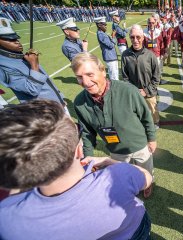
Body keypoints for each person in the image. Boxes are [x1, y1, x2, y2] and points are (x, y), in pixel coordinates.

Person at [0, 99, 153, 239]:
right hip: (136, 231)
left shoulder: (8, 219)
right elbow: (146, 177)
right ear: (79, 150)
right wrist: (109, 160)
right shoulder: (119, 175)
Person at [72, 52, 156, 198]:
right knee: (122, 176)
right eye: (79, 77)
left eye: (90, 74)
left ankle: (148, 185)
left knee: (146, 171)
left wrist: (152, 139)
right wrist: (88, 158)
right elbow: (87, 133)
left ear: (103, 71)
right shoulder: (79, 103)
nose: (85, 82)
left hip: (140, 145)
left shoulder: (128, 90)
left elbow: (146, 116)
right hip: (115, 150)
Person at [0, 17, 66, 106]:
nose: (17, 42)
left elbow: (45, 83)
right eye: (10, 39)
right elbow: (32, 89)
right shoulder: (3, 66)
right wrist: (34, 65)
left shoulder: (19, 56)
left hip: (57, 103)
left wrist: (59, 97)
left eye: (16, 38)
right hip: (46, 113)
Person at [121, 24, 161, 129]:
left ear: (143, 38)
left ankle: (155, 122)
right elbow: (125, 77)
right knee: (136, 114)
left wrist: (146, 90)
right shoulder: (125, 55)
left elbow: (156, 77)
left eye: (138, 37)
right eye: (132, 37)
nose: (135, 40)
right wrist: (134, 91)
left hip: (149, 93)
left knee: (153, 112)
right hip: (134, 94)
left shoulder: (150, 55)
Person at [94, 16, 119, 81]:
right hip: (110, 57)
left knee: (115, 74)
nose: (106, 26)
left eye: (106, 24)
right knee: (114, 77)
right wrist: (113, 37)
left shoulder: (102, 33)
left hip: (112, 56)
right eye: (104, 24)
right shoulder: (101, 34)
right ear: (99, 25)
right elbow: (111, 45)